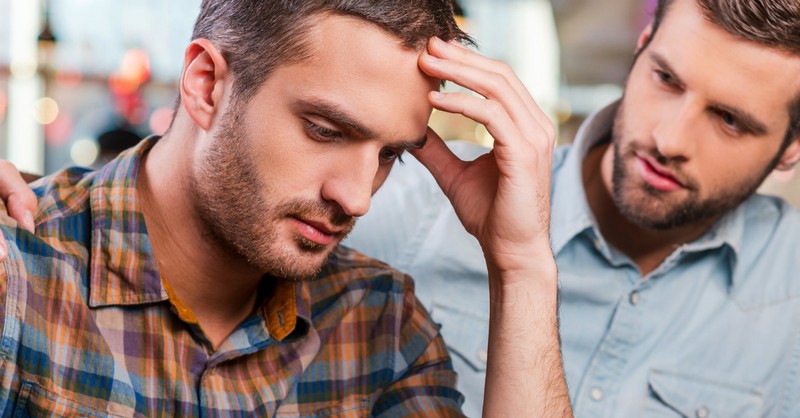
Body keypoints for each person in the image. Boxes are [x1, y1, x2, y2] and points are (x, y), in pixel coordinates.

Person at [0, 1, 571, 417]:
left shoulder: (379, 322)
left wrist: (522, 265)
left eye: (389, 153)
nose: (358, 197)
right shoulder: (21, 275)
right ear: (205, 85)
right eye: (325, 130)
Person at [343, 0, 800, 416]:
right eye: (666, 79)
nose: (669, 140)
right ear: (641, 49)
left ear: (791, 147)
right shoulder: (403, 205)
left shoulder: (788, 307)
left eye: (729, 120)